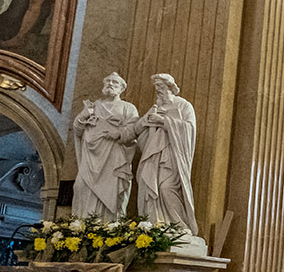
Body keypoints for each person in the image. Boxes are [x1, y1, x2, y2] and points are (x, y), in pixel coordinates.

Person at [135, 73, 199, 234]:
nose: (158, 90)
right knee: (151, 188)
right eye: (156, 87)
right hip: (153, 155)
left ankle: (180, 227)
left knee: (166, 188)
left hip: (172, 155)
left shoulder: (184, 105)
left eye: (161, 86)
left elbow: (189, 129)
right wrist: (148, 119)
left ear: (170, 87)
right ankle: (156, 225)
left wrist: (163, 121)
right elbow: (137, 129)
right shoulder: (155, 107)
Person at [72, 73, 140, 221]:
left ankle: (107, 227)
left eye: (115, 82)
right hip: (91, 157)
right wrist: (83, 115)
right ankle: (80, 226)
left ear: (122, 88)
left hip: (114, 158)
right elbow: (77, 130)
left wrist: (119, 133)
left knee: (111, 192)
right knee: (80, 186)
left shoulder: (128, 108)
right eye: (108, 81)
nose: (110, 84)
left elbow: (134, 130)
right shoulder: (93, 106)